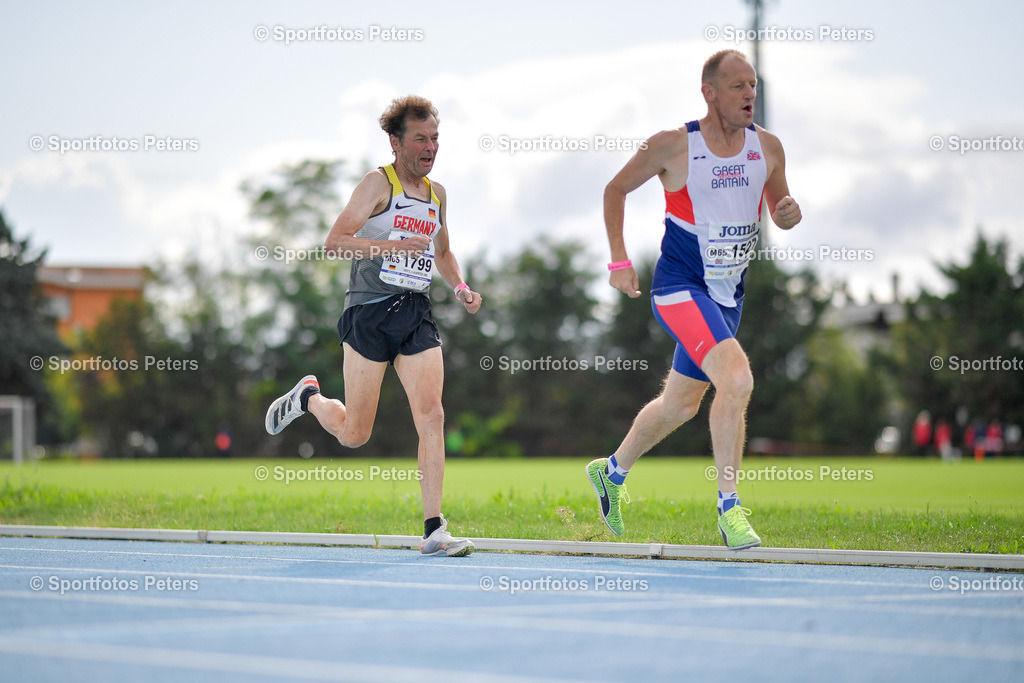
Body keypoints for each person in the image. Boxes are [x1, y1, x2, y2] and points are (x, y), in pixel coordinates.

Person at [586, 50, 801, 550]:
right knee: (738, 379)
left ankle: (611, 472)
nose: (750, 94)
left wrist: (789, 214)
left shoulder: (767, 147)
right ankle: (730, 509)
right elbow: (615, 189)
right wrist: (619, 260)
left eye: (753, 85)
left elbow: (780, 210)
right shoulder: (672, 146)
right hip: (680, 287)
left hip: (728, 296)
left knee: (679, 405)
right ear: (709, 92)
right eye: (737, 86)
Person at [265, 95, 482, 557]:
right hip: (367, 312)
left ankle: (433, 529)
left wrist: (461, 287)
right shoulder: (376, 184)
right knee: (355, 434)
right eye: (420, 139)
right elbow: (335, 242)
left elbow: (442, 253)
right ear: (396, 142)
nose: (430, 147)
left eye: (435, 138)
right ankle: (309, 398)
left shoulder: (438, 194)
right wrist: (392, 247)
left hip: (415, 312)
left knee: (433, 415)